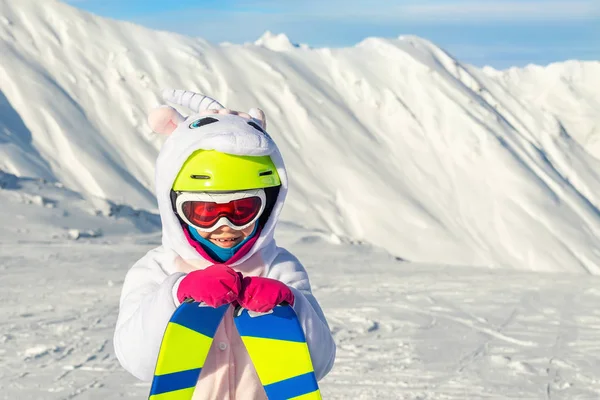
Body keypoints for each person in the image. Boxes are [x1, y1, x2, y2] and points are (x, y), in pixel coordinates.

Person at [113, 89, 336, 399]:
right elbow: (136, 359)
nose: (225, 227)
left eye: (243, 210)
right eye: (204, 212)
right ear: (174, 207)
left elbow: (319, 363)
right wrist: (176, 294)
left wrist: (291, 306)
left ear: (268, 208)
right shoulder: (156, 269)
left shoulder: (279, 267)